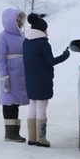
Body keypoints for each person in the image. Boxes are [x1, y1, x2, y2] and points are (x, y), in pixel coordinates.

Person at [22, 12, 70, 147]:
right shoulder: (43, 44)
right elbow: (50, 61)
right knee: (41, 108)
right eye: (45, 29)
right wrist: (65, 55)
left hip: (30, 79)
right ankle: (41, 138)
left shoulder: (26, 42)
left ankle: (32, 138)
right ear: (42, 30)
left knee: (32, 107)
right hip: (42, 80)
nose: (47, 32)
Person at [0, 8, 28, 142]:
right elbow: (0, 60)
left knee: (15, 103)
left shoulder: (22, 35)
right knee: (9, 103)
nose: (19, 21)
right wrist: (4, 77)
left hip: (21, 75)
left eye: (20, 18)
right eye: (17, 19)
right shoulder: (2, 37)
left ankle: (15, 133)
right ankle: (9, 133)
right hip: (10, 75)